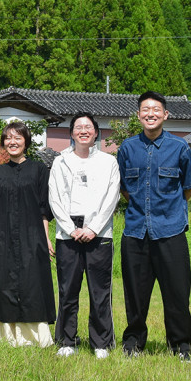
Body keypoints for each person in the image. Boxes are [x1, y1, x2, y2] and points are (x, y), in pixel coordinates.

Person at [116, 91, 191, 361]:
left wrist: (168, 211)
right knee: (135, 294)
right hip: (136, 230)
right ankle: (133, 342)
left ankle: (181, 345)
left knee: (176, 293)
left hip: (170, 231)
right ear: (138, 115)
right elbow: (125, 190)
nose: (150, 114)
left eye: (156, 109)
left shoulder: (180, 148)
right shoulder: (127, 148)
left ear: (165, 114)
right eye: (145, 109)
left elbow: (188, 188)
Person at [48, 113, 120, 359]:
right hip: (68, 233)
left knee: (100, 291)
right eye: (78, 127)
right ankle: (67, 340)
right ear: (71, 133)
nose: (83, 130)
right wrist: (70, 228)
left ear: (96, 132)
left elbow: (113, 197)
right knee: (68, 290)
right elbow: (54, 198)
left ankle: (101, 343)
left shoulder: (108, 162)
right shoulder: (60, 162)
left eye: (88, 127)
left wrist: (93, 228)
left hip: (99, 233)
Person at [0, 122, 56, 347]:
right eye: (8, 138)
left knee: (32, 283)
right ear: (3, 142)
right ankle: (6, 339)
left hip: (31, 237)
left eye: (18, 138)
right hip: (1, 238)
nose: (12, 142)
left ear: (26, 141)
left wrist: (46, 238)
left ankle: (35, 339)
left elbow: (45, 209)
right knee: (3, 283)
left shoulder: (39, 170)